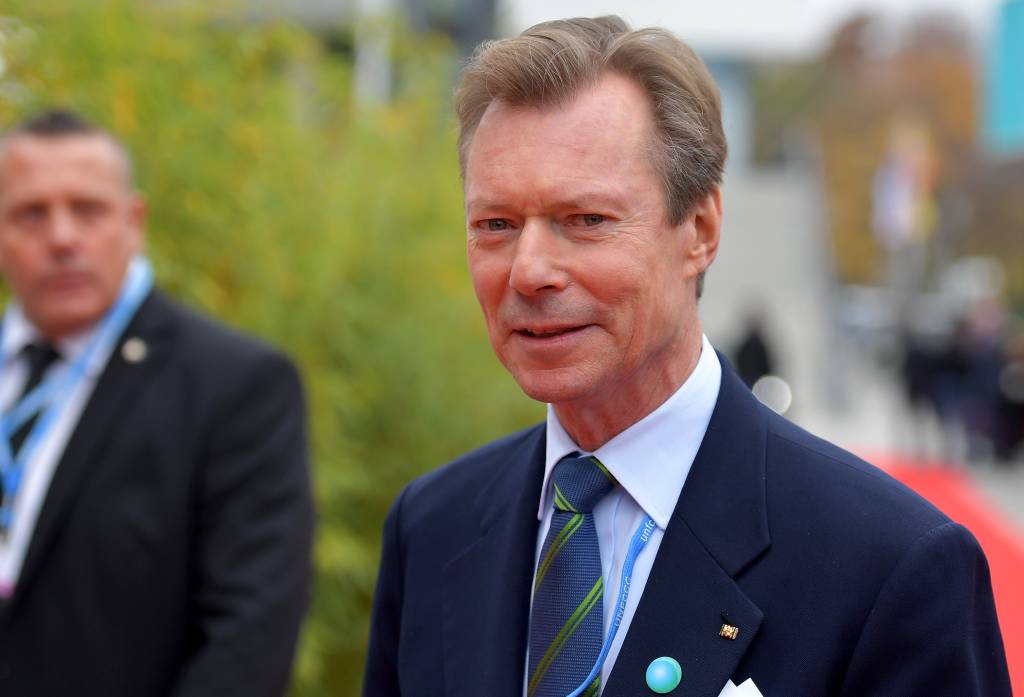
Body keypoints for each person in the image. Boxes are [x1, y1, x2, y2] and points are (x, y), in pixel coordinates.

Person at [363, 16, 1011, 697]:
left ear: (700, 231)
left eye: (585, 220)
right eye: (496, 225)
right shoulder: (431, 529)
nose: (529, 271)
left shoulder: (888, 566)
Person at [0, 110, 314, 696]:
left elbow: (249, 640)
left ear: (134, 223)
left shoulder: (235, 386)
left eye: (88, 210)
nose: (62, 238)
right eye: (31, 214)